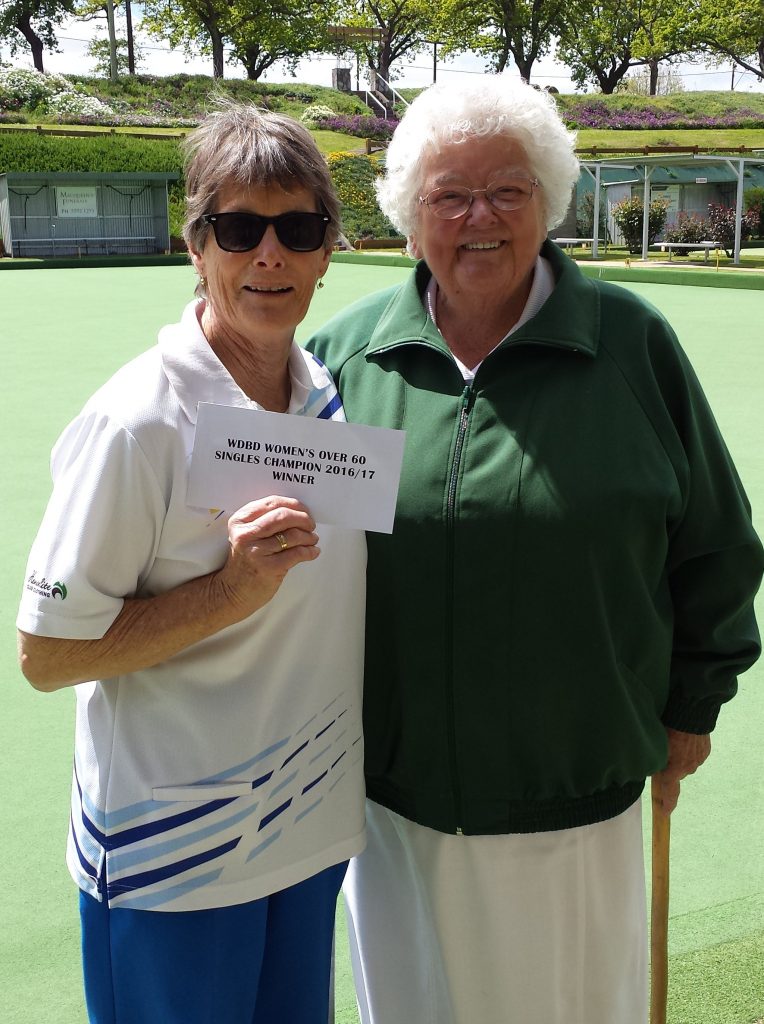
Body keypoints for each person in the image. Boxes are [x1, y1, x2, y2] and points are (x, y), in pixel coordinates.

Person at [308, 77, 763, 1024]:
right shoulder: (344, 361)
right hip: (393, 803)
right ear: (408, 212)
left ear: (548, 200)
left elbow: (716, 545)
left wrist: (692, 704)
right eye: (449, 193)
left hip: (576, 796)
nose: (480, 217)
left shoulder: (633, 346)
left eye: (509, 190)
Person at [16, 102, 366, 1024]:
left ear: (330, 249)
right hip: (171, 855)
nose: (269, 255)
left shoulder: (325, 392)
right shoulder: (136, 421)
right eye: (239, 228)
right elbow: (48, 657)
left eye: (298, 228)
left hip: (306, 831)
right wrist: (232, 590)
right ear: (196, 244)